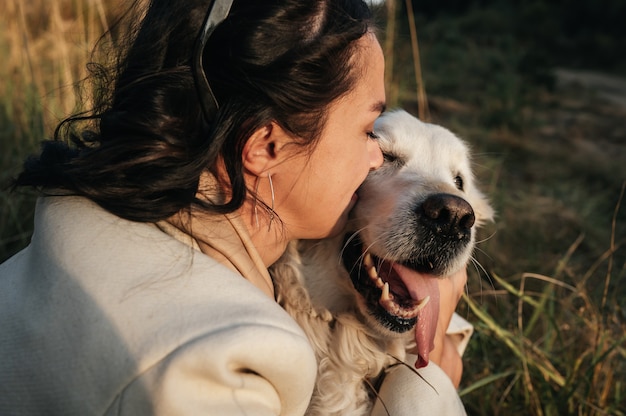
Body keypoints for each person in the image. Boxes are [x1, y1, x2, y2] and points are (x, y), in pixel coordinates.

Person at [0, 0, 468, 414]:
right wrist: (430, 386)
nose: (371, 157)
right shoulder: (224, 364)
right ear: (265, 147)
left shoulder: (74, 222)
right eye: (369, 132)